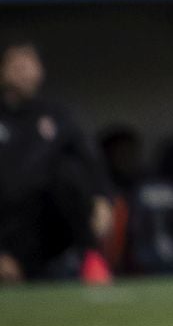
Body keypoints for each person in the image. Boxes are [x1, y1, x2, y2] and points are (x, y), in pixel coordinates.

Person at [0, 41, 112, 284]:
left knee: (69, 173)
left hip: (48, 231)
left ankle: (87, 257)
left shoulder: (57, 115)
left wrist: (103, 199)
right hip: (7, 230)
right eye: (15, 63)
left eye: (29, 63)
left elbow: (91, 163)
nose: (23, 69)